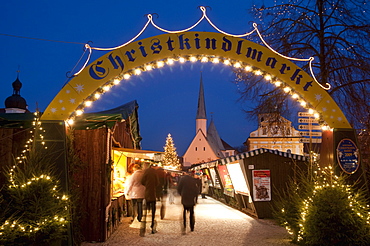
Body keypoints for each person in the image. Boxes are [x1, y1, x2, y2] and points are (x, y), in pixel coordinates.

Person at [141, 164, 159, 234]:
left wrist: (147, 185)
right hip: (153, 193)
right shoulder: (155, 173)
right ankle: (152, 225)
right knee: (153, 211)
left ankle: (144, 226)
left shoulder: (146, 172)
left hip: (147, 193)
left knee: (145, 210)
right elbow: (157, 183)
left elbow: (142, 181)